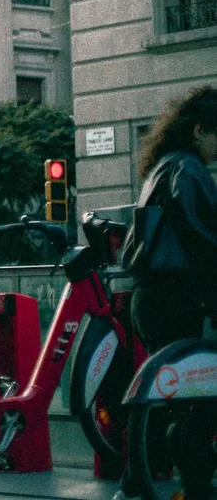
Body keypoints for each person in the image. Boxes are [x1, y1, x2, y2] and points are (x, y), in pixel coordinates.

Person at [119, 84, 217, 500]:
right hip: (177, 294)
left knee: (166, 393)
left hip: (148, 296)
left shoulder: (162, 166)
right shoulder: (188, 170)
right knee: (201, 396)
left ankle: (137, 482)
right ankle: (196, 484)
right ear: (199, 130)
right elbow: (205, 235)